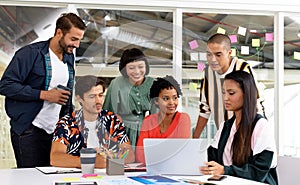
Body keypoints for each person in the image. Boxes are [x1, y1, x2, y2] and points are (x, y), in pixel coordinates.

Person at [0, 13, 86, 168]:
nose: (77, 45)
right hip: (30, 131)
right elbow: (5, 85)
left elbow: (66, 97)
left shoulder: (69, 57)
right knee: (32, 180)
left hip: (55, 133)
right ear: (59, 32)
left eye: (79, 40)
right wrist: (44, 95)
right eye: (73, 39)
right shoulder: (30, 53)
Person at [200, 71, 278, 185]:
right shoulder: (225, 127)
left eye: (231, 93)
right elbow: (212, 159)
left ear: (246, 94)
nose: (225, 98)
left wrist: (224, 170)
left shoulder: (260, 126)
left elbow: (258, 173)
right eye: (223, 92)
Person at [50, 75, 135, 168]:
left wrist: (108, 160)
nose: (98, 101)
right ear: (79, 99)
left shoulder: (113, 120)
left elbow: (129, 155)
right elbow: (55, 157)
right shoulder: (66, 123)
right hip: (78, 177)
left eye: (100, 95)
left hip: (108, 176)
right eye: (92, 96)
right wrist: (90, 162)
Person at [193, 33, 264, 138]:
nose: (213, 59)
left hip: (246, 135)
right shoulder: (208, 72)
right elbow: (204, 108)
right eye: (209, 54)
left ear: (229, 53)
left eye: (218, 55)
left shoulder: (242, 68)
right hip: (224, 135)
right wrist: (194, 139)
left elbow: (255, 103)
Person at [102, 48, 155, 149]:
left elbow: (157, 118)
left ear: (146, 66)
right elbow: (107, 115)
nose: (137, 71)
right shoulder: (116, 84)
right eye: (131, 68)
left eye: (140, 67)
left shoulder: (153, 84)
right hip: (121, 134)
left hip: (145, 134)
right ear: (124, 69)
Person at [135, 75, 191, 164]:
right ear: (156, 101)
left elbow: (180, 153)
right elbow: (140, 156)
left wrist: (153, 153)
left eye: (175, 98)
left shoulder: (183, 119)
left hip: (175, 171)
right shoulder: (148, 121)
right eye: (166, 99)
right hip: (151, 172)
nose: (172, 103)